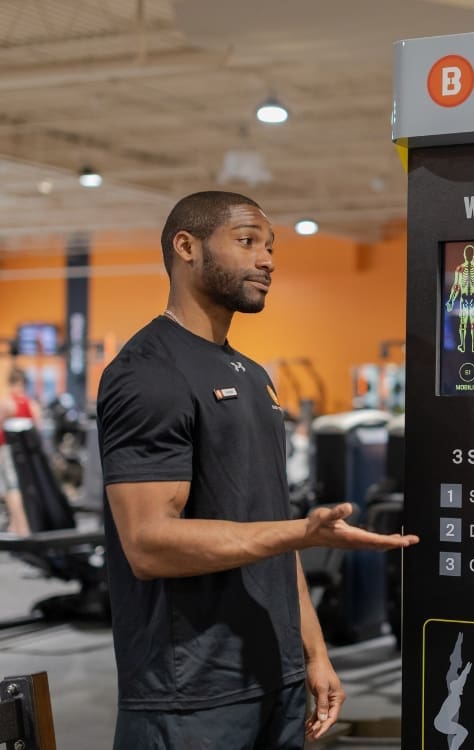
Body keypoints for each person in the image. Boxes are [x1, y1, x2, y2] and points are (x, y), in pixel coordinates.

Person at [96, 191, 419, 749]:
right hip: (191, 695)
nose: (267, 260)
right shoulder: (148, 372)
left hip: (278, 676)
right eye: (247, 242)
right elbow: (148, 544)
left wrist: (313, 654)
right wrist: (303, 531)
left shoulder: (252, 375)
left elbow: (269, 527)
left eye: (270, 247)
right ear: (186, 247)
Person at [0, 367, 43, 536]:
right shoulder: (32, 405)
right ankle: (20, 524)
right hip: (29, 455)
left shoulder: (6, 403)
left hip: (10, 452)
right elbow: (38, 431)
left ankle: (19, 526)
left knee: (12, 488)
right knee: (26, 487)